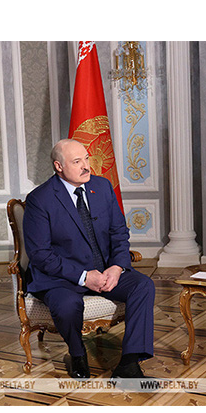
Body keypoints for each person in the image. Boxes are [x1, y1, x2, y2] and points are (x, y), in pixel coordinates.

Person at [21, 138, 155, 379]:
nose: (86, 166)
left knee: (143, 285)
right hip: (62, 278)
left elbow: (119, 233)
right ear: (59, 166)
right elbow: (41, 255)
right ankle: (77, 353)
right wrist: (83, 277)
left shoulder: (102, 187)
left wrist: (117, 267)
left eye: (86, 158)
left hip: (104, 271)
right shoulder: (40, 199)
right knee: (67, 305)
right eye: (77, 161)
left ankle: (129, 364)